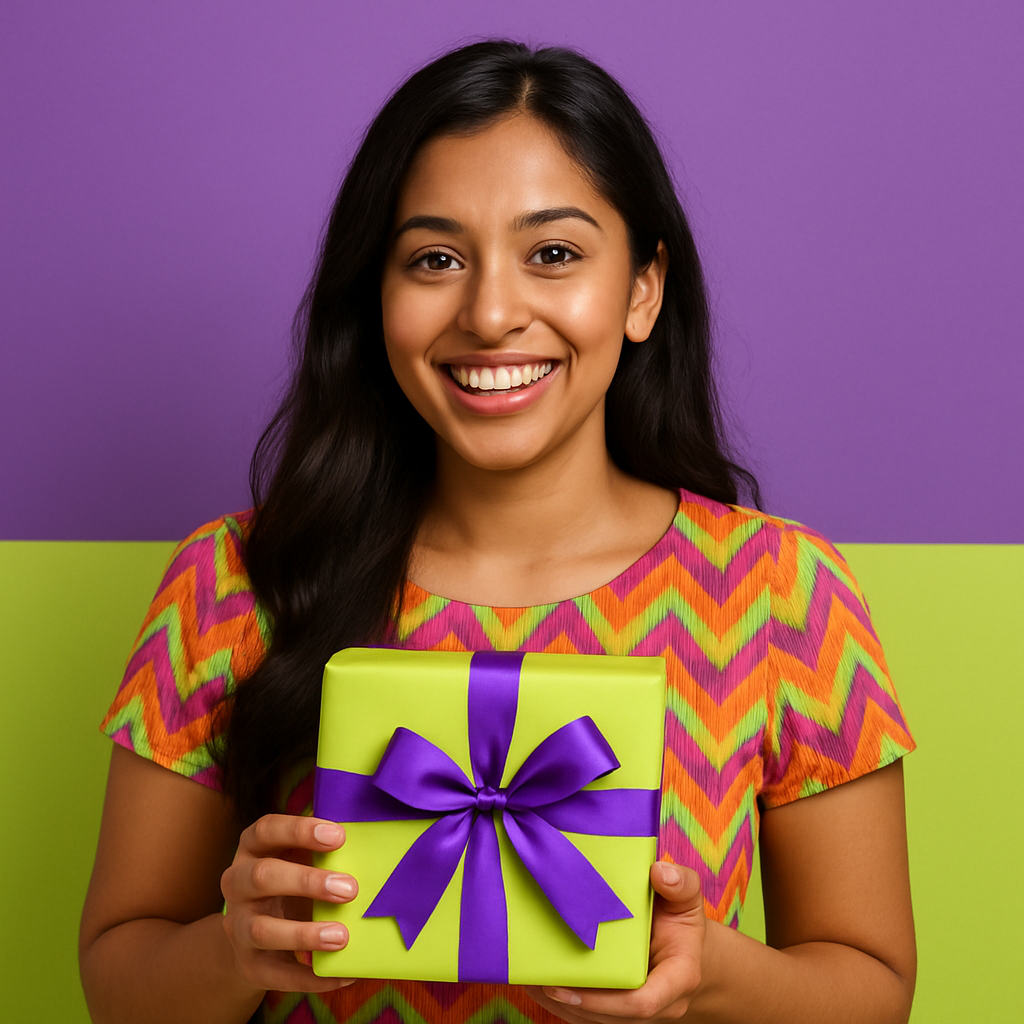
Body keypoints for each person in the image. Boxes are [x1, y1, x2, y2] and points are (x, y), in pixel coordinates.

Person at [79, 39, 916, 1024]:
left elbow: (874, 991)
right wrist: (236, 947)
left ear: (642, 288)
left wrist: (712, 972)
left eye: (552, 253)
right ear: (376, 294)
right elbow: (116, 983)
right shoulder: (232, 577)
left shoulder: (782, 587)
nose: (488, 312)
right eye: (434, 258)